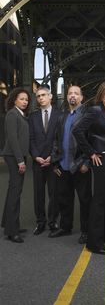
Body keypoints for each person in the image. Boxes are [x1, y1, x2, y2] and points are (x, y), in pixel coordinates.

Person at [73, 80, 105, 255]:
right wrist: (91, 152)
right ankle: (94, 242)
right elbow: (77, 131)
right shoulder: (95, 111)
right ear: (101, 94)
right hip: (102, 158)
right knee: (99, 200)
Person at [50, 85, 91, 244]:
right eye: (70, 93)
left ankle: (86, 231)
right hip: (63, 166)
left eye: (76, 93)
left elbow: (91, 140)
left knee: (84, 200)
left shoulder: (87, 116)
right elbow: (56, 141)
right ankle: (65, 227)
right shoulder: (62, 116)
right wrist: (55, 164)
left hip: (80, 166)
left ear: (81, 97)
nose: (72, 96)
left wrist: (87, 162)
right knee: (64, 199)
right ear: (67, 97)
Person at [29, 86, 61, 235]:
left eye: (43, 95)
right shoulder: (33, 117)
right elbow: (31, 139)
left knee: (54, 193)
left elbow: (60, 139)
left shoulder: (59, 115)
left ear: (50, 96)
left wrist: (52, 157)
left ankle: (53, 221)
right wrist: (36, 156)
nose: (41, 98)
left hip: (53, 161)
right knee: (38, 194)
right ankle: (40, 222)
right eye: (38, 96)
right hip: (38, 161)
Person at [1, 88, 31, 243]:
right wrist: (20, 160)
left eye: (26, 99)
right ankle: (12, 231)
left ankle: (9, 224)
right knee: (15, 191)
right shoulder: (12, 114)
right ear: (14, 100)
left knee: (13, 189)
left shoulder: (20, 114)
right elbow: (12, 139)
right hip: (14, 157)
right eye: (22, 99)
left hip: (16, 156)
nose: (25, 102)